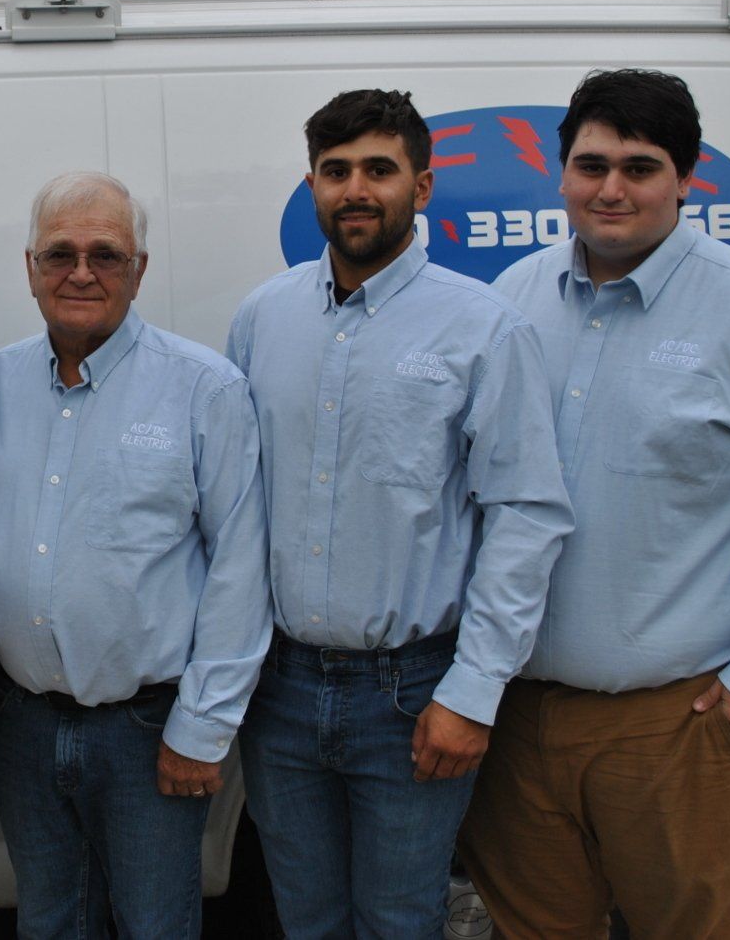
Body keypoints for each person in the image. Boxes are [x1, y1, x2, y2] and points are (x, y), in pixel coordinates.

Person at [461, 69, 730, 939]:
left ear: (686, 179)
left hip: (678, 728)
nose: (611, 189)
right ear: (561, 173)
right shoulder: (512, 299)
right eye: (591, 165)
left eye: (640, 167)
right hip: (517, 719)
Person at [227, 88, 573, 940]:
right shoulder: (263, 318)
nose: (355, 189)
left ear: (421, 186)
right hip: (280, 688)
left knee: (400, 921)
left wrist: (473, 692)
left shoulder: (483, 328)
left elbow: (525, 516)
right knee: (305, 919)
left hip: (413, 693)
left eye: (378, 169)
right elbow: (235, 506)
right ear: (312, 183)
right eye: (335, 170)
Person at [0, 171, 271, 939]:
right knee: (48, 922)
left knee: (155, 926)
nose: (81, 272)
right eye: (60, 253)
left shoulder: (204, 389)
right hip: (24, 725)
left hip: (150, 731)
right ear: (30, 267)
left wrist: (201, 730)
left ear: (139, 269)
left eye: (105, 254)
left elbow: (241, 568)